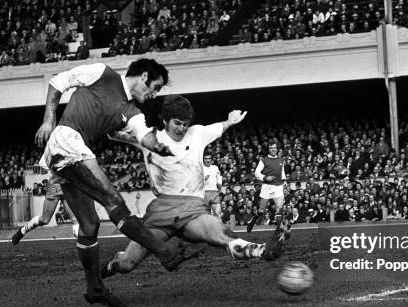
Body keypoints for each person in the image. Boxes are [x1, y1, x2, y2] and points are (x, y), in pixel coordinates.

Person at [35, 59, 187, 307]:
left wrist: (156, 145)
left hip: (70, 152)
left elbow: (143, 134)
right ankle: (163, 251)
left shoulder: (133, 112)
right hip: (66, 140)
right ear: (144, 76)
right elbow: (58, 82)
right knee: (114, 200)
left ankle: (95, 288)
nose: (153, 95)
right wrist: (48, 120)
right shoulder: (103, 73)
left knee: (89, 224)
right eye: (155, 87)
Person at [101, 95, 289, 278]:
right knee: (127, 265)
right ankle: (112, 265)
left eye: (185, 123)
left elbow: (219, 127)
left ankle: (263, 251)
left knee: (221, 234)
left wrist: (230, 121)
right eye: (177, 123)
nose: (182, 128)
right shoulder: (150, 138)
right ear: (165, 119)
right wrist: (111, 118)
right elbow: (113, 133)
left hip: (192, 210)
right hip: (160, 212)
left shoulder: (197, 133)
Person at [12, 168, 79, 245]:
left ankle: (85, 251)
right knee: (45, 220)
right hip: (55, 185)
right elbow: (44, 165)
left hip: (69, 186)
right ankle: (23, 231)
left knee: (76, 220)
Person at [247, 142, 288, 232]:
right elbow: (256, 173)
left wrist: (284, 181)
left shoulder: (281, 160)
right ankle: (253, 219)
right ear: (269, 149)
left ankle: (279, 230)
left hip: (278, 187)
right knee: (261, 211)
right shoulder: (263, 160)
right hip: (267, 187)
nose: (273, 149)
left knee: (279, 208)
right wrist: (266, 177)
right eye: (271, 148)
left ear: (277, 149)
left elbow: (282, 172)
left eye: (274, 148)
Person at [203, 152, 222, 218]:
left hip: (214, 193)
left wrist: (219, 184)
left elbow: (219, 177)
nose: (208, 160)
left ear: (211, 159)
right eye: (206, 158)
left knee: (218, 214)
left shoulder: (215, 167)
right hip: (204, 193)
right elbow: (196, 180)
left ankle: (219, 228)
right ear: (203, 159)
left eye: (209, 158)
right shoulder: (201, 168)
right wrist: (203, 179)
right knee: (205, 216)